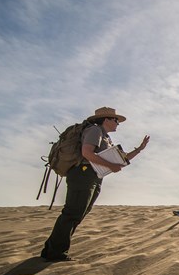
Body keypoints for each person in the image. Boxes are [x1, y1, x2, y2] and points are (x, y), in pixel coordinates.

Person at [40, 107, 150, 262]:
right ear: (106, 119)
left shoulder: (104, 137)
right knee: (73, 213)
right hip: (83, 174)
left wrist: (139, 149)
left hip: (93, 176)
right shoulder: (95, 131)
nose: (118, 123)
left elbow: (120, 160)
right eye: (115, 120)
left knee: (78, 213)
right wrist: (111, 166)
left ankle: (51, 249)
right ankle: (55, 252)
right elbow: (87, 153)